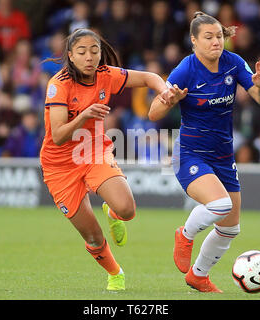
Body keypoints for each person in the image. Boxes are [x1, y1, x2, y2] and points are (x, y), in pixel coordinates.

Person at [148, 11, 260, 293]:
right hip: (191, 155)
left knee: (230, 228)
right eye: (209, 37)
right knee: (220, 205)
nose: (216, 41)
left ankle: (198, 276)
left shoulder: (233, 63)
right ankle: (185, 234)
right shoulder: (185, 70)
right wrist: (169, 100)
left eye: (219, 36)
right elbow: (153, 113)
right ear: (194, 41)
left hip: (223, 157)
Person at [40, 28, 171, 291]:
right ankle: (115, 273)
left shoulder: (105, 75)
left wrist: (164, 90)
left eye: (94, 51)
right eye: (82, 52)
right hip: (59, 165)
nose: (89, 57)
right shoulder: (58, 84)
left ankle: (111, 211)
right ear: (70, 56)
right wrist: (85, 115)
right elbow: (58, 136)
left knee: (127, 209)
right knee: (92, 235)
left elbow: (149, 77)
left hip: (92, 151)